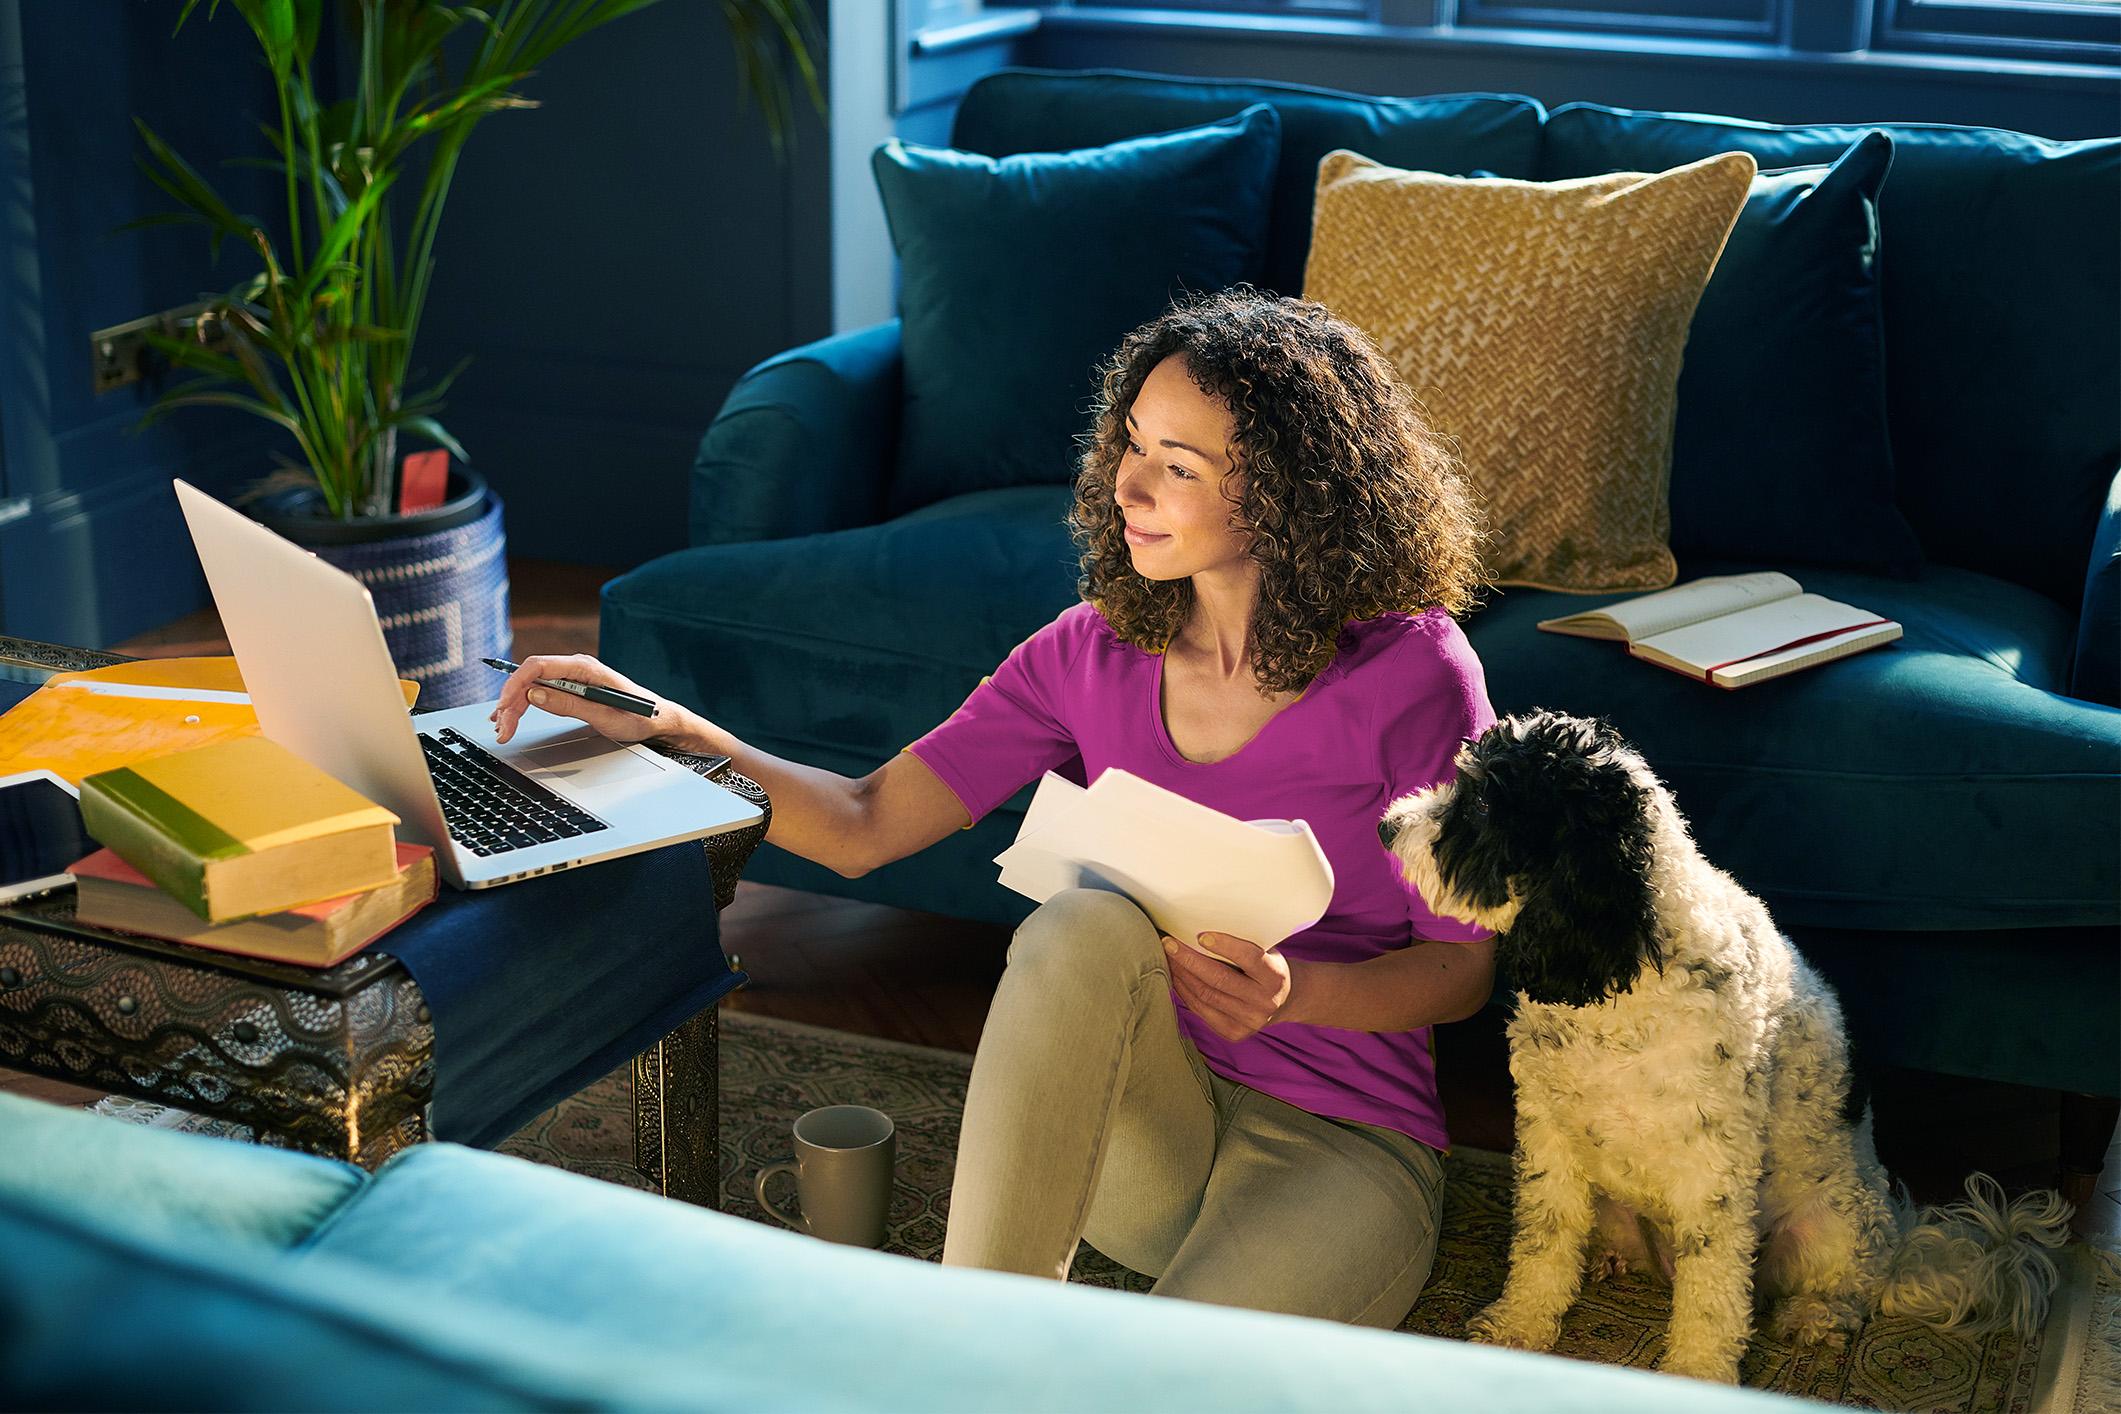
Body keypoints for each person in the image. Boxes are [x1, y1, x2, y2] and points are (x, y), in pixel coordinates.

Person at [490, 286, 1497, 1329]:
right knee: (1082, 923)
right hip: (1140, 1127)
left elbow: (1462, 970)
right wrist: (665, 729)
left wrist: (1294, 996)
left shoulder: (1415, 677)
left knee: (1166, 1381)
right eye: (1132, 443)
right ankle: (968, 1336)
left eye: (1177, 466)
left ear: (1285, 494)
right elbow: (863, 820)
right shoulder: (1089, 651)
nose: (1127, 484)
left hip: (1342, 1136)